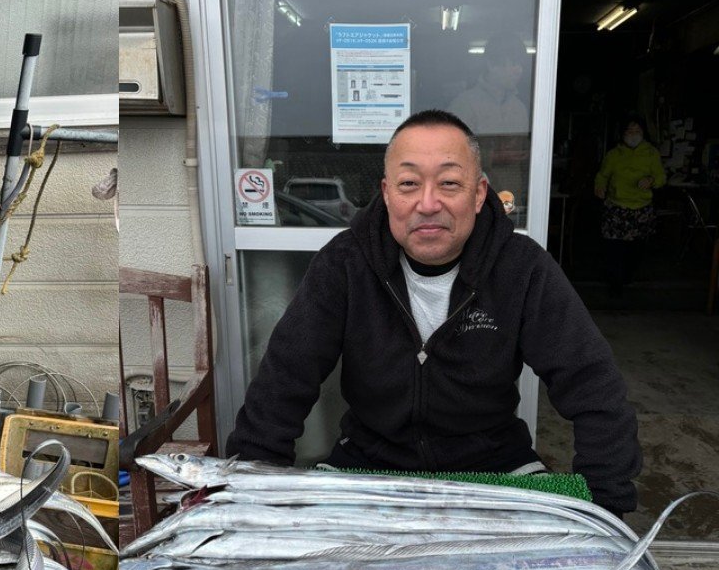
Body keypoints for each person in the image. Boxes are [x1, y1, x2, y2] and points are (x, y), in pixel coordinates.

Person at [226, 109, 641, 516]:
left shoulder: (523, 268)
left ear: (479, 195)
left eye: (449, 182)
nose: (428, 203)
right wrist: (249, 488)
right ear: (387, 193)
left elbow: (592, 384)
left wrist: (605, 503)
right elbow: (284, 379)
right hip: (368, 461)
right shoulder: (344, 264)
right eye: (409, 183)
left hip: (496, 462)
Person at [448, 33, 531, 222]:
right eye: (512, 63)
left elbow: (525, 161)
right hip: (473, 207)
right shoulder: (464, 105)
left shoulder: (519, 108)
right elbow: (449, 156)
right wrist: (493, 156)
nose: (519, 70)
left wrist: (526, 198)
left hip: (511, 205)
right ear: (491, 65)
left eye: (521, 64)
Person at [594, 114, 666, 302]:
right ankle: (615, 285)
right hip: (616, 208)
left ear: (644, 133)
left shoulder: (651, 153)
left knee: (636, 248)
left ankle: (626, 276)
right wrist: (599, 187)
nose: (633, 135)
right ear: (623, 133)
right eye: (630, 131)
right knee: (614, 248)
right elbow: (602, 175)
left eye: (637, 131)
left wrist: (651, 180)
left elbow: (661, 177)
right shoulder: (613, 154)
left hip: (640, 209)